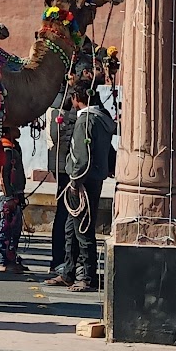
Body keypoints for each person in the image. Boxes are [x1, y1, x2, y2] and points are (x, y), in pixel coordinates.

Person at [53, 85, 116, 291]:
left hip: (82, 181)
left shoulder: (85, 121)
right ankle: (69, 272)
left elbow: (81, 154)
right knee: (71, 228)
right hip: (94, 177)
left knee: (83, 229)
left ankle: (87, 276)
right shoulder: (102, 119)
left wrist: (75, 180)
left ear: (76, 98)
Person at [45, 86, 77, 280]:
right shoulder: (60, 104)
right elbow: (57, 137)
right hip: (65, 167)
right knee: (65, 214)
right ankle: (59, 260)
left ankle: (64, 259)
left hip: (65, 166)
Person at [0, 128, 28, 274]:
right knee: (6, 230)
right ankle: (4, 262)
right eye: (15, 128)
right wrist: (8, 197)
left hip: (16, 195)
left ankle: (12, 258)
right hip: (8, 197)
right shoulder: (5, 149)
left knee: (15, 231)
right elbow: (3, 175)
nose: (19, 130)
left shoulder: (14, 147)